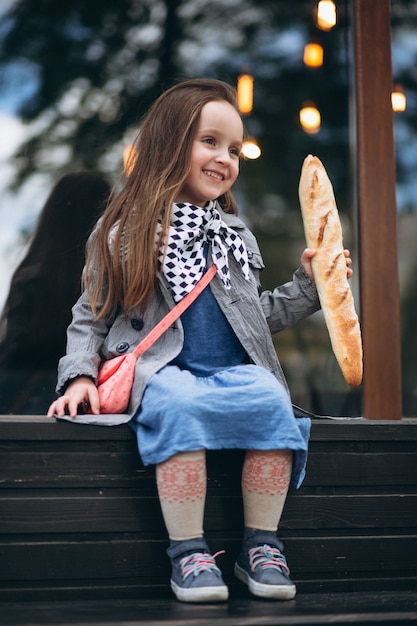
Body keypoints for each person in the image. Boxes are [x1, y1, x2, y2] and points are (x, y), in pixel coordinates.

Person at [47, 79, 352, 603]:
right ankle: (187, 551)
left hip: (230, 372)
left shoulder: (235, 234)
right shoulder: (123, 231)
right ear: (169, 144)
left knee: (272, 403)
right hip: (164, 373)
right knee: (181, 405)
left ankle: (261, 545)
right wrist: (78, 375)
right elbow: (90, 315)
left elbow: (256, 317)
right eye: (209, 142)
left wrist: (311, 286)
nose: (225, 158)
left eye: (234, 149)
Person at [0, 171, 111, 414]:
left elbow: (14, 355)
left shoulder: (33, 277)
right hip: (95, 404)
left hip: (32, 408)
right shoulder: (108, 279)